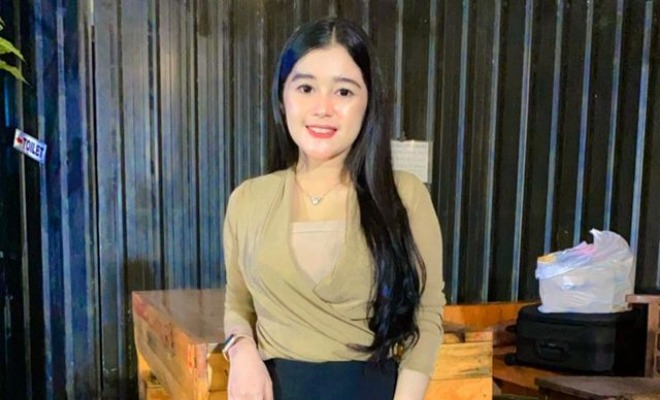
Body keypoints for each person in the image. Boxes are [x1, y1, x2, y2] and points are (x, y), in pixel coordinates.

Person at [222, 16, 445, 400]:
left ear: (368, 102)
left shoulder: (402, 196)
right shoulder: (247, 200)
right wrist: (241, 350)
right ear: (282, 97)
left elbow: (427, 316)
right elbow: (237, 304)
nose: (322, 108)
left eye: (343, 91)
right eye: (306, 87)